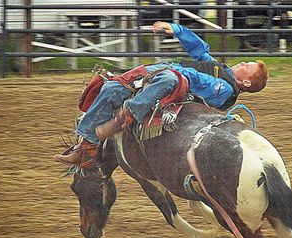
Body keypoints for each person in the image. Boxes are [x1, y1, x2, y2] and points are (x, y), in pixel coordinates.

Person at [55, 21, 269, 167]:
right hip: (163, 74)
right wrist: (176, 29)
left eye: (246, 66)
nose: (242, 62)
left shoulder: (226, 89)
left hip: (175, 85)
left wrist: (172, 70)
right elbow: (199, 50)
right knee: (111, 88)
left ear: (246, 81)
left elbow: (198, 80)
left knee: (172, 78)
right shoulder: (217, 68)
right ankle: (87, 145)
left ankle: (127, 115)